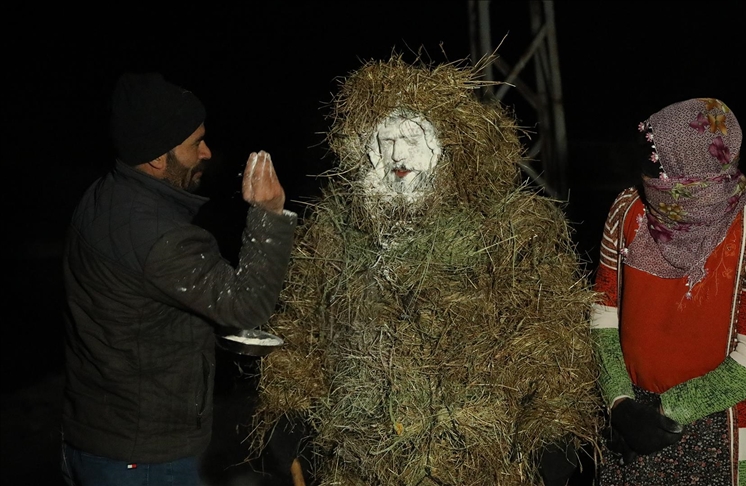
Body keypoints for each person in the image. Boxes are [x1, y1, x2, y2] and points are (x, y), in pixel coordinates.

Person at [251, 55, 603, 486]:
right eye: (385, 140)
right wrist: (289, 413)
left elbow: (550, 336)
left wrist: (554, 432)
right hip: (362, 462)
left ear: (447, 145)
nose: (397, 154)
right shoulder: (333, 231)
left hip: (480, 463)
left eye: (412, 137)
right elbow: (300, 327)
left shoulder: (510, 228)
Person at [60, 72, 297, 486]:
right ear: (156, 158)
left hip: (91, 436)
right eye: (194, 144)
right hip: (143, 460)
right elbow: (248, 305)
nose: (206, 152)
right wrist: (269, 216)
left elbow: (140, 302)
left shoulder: (102, 195)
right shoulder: (161, 236)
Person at [589, 97, 746, 485]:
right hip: (629, 420)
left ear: (692, 160)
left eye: (658, 157)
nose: (647, 167)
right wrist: (620, 404)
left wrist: (664, 414)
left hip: (717, 425)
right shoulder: (627, 210)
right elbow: (603, 313)